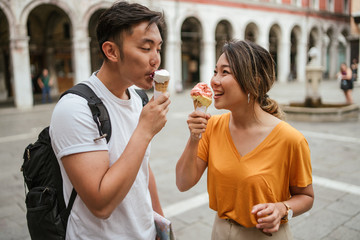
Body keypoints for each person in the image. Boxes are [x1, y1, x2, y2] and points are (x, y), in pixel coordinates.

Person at [49, 1, 170, 239]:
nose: (156, 59)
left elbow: (142, 168)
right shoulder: (75, 108)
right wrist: (145, 130)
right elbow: (100, 204)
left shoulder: (137, 97)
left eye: (158, 48)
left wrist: (160, 223)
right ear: (111, 51)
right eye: (146, 48)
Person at [176, 40, 314, 240]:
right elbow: (183, 183)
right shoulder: (212, 127)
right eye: (215, 71)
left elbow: (307, 196)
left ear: (254, 82)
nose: (214, 80)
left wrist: (282, 208)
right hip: (220, 231)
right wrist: (194, 137)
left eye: (225, 72)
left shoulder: (291, 139)